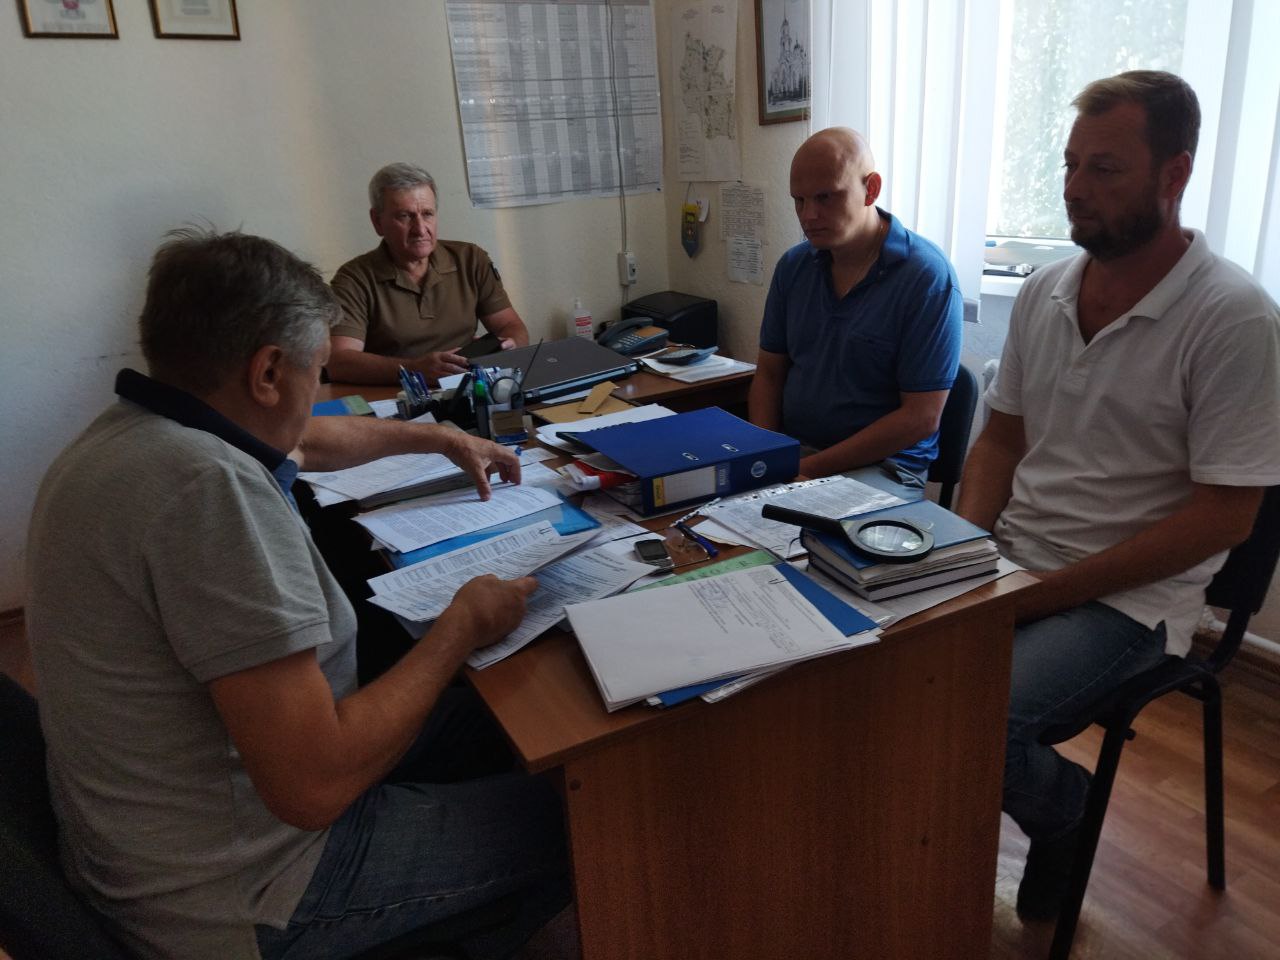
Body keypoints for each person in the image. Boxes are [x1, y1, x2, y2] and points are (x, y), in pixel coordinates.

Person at [25, 228, 569, 959]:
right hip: (248, 886)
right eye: (316, 371)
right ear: (268, 372)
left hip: (163, 835)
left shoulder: (127, 437)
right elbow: (313, 786)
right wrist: (460, 626)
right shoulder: (206, 491)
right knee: (583, 814)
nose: (316, 391)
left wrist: (442, 438)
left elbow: (306, 440)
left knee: (491, 721)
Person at [954, 70, 1280, 922]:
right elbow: (1000, 440)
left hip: (1130, 604)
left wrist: (1039, 595)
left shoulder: (1235, 318)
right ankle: (918, 855)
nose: (1074, 188)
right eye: (1069, 164)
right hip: (1015, 561)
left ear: (1175, 175)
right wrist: (957, 552)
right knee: (875, 669)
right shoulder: (1045, 290)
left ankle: (1068, 810)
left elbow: (1226, 516)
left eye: (1103, 169)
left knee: (971, 718)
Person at [748, 126, 962, 499]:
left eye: (825, 197)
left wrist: (806, 470)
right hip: (797, 455)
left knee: (800, 530)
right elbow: (769, 374)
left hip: (882, 469)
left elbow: (921, 417)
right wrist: (766, 456)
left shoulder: (926, 277)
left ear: (871, 189)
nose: (808, 215)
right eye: (799, 200)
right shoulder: (794, 268)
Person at [327, 162, 530, 386]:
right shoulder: (354, 279)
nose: (420, 229)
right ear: (377, 222)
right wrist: (414, 370)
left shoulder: (470, 259)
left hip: (467, 387)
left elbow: (512, 327)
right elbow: (338, 362)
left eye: (427, 214)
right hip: (397, 394)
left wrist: (510, 345)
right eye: (405, 216)